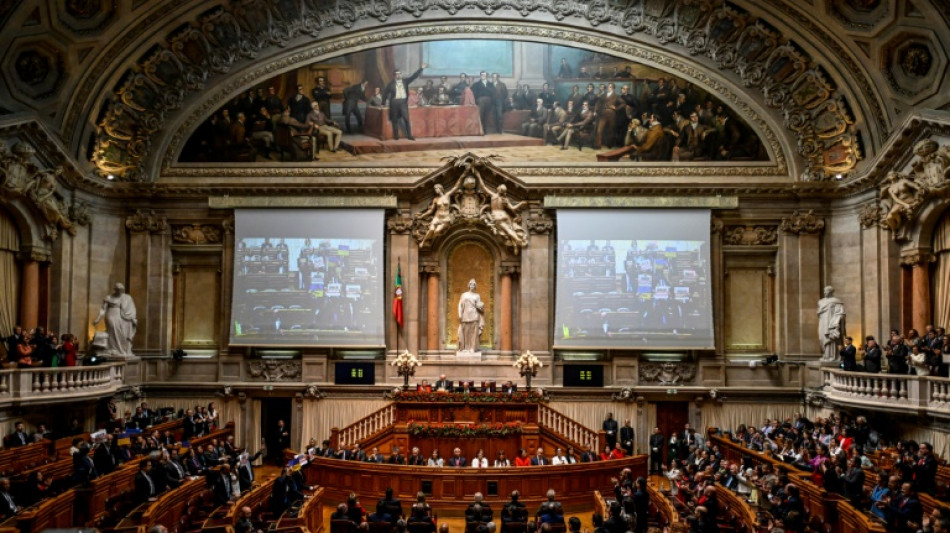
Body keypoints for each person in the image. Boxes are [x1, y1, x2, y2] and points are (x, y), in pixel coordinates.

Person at [382, 64, 429, 140]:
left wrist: (422, 68)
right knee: (395, 120)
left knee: (406, 119)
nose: (399, 75)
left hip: (403, 103)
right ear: (394, 76)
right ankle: (396, 136)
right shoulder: (390, 84)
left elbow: (414, 76)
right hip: (394, 103)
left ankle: (409, 136)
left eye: (400, 74)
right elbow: (385, 93)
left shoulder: (405, 81)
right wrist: (382, 103)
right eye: (397, 74)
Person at [92, 283, 137, 357]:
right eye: (118, 290)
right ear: (115, 290)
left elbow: (131, 309)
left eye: (121, 290)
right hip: (111, 316)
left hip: (123, 317)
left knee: (122, 333)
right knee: (113, 330)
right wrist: (97, 319)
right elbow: (103, 309)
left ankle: (122, 350)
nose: (120, 291)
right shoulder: (109, 297)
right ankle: (113, 348)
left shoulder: (127, 297)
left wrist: (132, 318)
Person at [817, 286, 846, 361]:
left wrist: (835, 322)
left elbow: (841, 313)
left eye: (826, 291)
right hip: (823, 322)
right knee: (821, 338)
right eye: (824, 291)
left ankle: (831, 356)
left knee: (831, 338)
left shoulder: (836, 301)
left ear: (830, 292)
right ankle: (825, 354)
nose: (824, 292)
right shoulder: (821, 301)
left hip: (831, 322)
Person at [457, 279, 485, 353]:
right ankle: (465, 348)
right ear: (468, 285)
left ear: (475, 286)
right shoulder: (464, 295)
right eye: (471, 284)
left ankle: (472, 348)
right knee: (465, 332)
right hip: (465, 315)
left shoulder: (477, 296)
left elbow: (479, 305)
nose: (472, 286)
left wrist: (481, 306)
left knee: (474, 333)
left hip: (474, 315)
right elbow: (460, 305)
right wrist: (460, 314)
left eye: (474, 285)